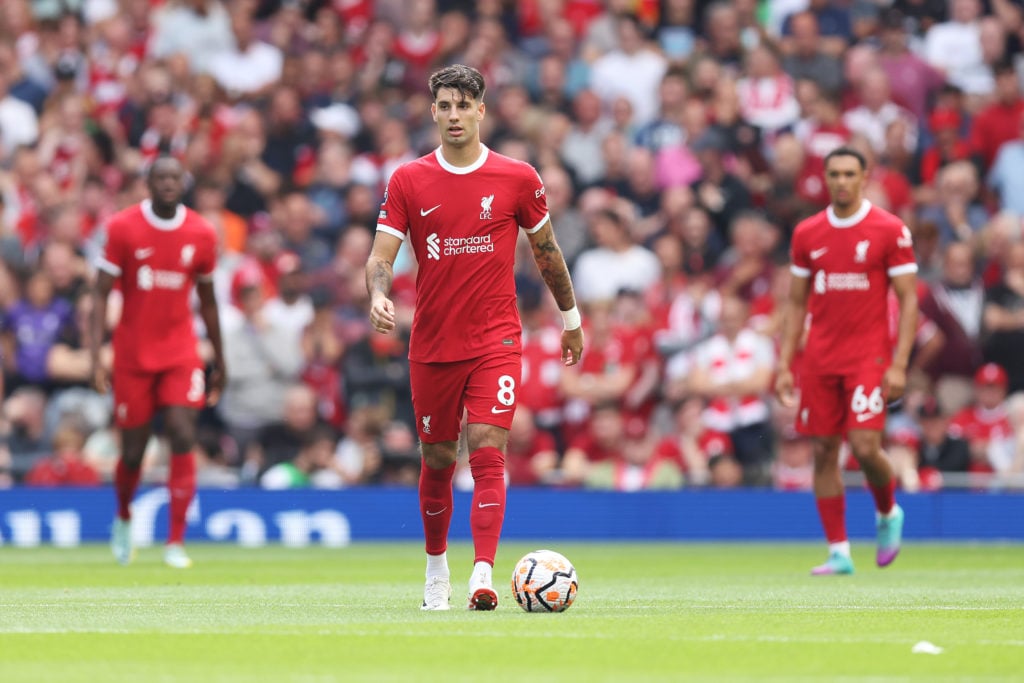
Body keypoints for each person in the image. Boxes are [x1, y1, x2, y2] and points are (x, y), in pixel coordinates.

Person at [365, 64, 583, 611]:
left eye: (465, 104)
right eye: (445, 105)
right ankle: (436, 569)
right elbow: (379, 257)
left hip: (496, 340)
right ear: (432, 111)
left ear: (482, 110)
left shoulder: (517, 177)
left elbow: (548, 252)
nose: (455, 114)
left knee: (488, 449)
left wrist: (571, 317)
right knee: (438, 458)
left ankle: (482, 574)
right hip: (434, 345)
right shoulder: (408, 180)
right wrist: (377, 294)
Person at [775, 147, 918, 576]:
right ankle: (839, 551)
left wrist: (899, 364)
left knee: (864, 446)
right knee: (822, 450)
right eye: (834, 173)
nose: (841, 181)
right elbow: (796, 303)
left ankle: (888, 511)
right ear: (824, 177)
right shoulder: (807, 233)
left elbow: (909, 300)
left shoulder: (888, 229)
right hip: (820, 357)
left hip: (867, 357)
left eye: (849, 174)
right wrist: (785, 363)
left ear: (864, 176)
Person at [90, 155, 226, 569]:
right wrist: (98, 355)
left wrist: (221, 358)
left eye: (174, 178)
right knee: (133, 452)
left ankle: (175, 541)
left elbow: (208, 301)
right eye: (160, 178)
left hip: (181, 351)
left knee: (183, 432)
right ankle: (124, 516)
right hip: (132, 354)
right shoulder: (122, 227)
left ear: (183, 184)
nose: (168, 184)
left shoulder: (201, 232)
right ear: (147, 183)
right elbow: (99, 294)